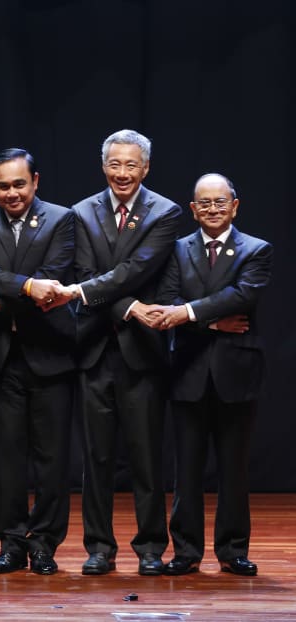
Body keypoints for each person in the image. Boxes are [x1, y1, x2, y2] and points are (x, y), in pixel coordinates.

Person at [46, 129, 181, 575]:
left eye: (131, 165)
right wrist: (127, 305)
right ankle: (99, 547)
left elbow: (138, 270)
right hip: (95, 350)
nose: (122, 173)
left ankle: (149, 548)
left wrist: (101, 296)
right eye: (114, 164)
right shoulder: (81, 212)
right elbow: (85, 271)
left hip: (143, 351)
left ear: (146, 168)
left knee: (145, 456)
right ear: (103, 165)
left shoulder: (165, 212)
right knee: (96, 458)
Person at [144, 173, 271, 576]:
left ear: (235, 205)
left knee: (234, 467)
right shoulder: (177, 250)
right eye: (205, 203)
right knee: (187, 469)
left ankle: (232, 551)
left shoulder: (256, 250)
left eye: (221, 202)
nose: (213, 209)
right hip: (189, 370)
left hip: (237, 372)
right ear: (193, 209)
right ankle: (186, 551)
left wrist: (187, 313)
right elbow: (167, 302)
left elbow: (243, 296)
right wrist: (211, 322)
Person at [0, 148, 75, 575]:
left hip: (51, 351)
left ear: (35, 181)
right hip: (2, 354)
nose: (13, 193)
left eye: (20, 184)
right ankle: (11, 542)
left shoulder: (61, 219)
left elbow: (58, 272)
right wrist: (29, 285)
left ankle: (45, 542)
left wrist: (6, 293)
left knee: (52, 457)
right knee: (8, 457)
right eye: (4, 186)